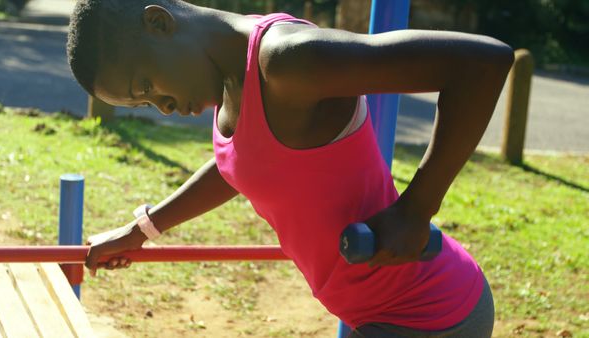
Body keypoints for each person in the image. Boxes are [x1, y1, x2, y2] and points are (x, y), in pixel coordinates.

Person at [66, 0, 513, 336]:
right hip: (373, 311)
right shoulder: (231, 87)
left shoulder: (287, 61)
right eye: (143, 102)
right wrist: (140, 231)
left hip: (426, 310)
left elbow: (482, 64)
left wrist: (417, 211)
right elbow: (235, 168)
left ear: (159, 22)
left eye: (146, 85)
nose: (160, 107)